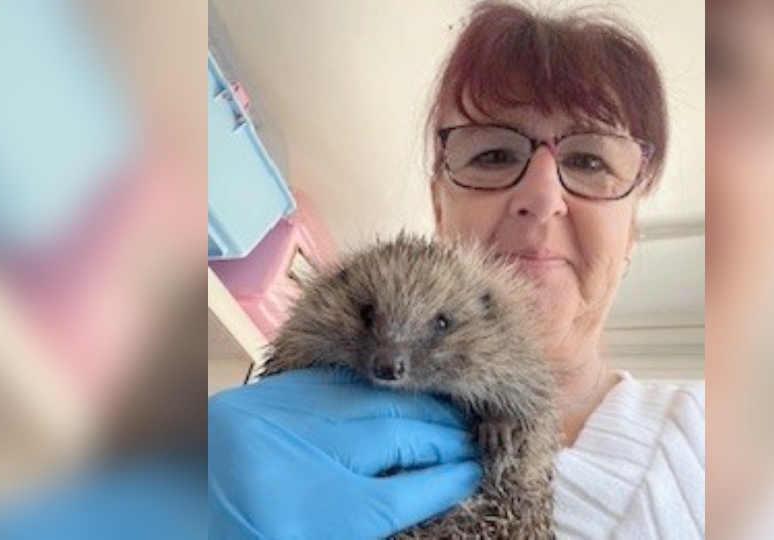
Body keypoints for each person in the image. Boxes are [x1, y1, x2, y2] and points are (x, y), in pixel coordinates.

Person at [208, 1, 705, 538]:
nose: (542, 197)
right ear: (439, 206)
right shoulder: (248, 444)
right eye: (494, 154)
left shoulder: (715, 443)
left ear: (631, 231)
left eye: (589, 161)